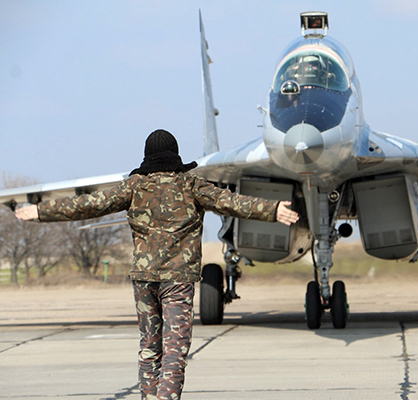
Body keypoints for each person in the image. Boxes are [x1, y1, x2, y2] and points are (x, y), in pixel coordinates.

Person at [15, 129, 299, 400]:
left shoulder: (133, 187)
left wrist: (40, 211)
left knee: (150, 349)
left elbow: (88, 204)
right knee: (175, 353)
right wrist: (272, 209)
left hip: (144, 281)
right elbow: (231, 202)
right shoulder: (192, 185)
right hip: (178, 281)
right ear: (175, 155)